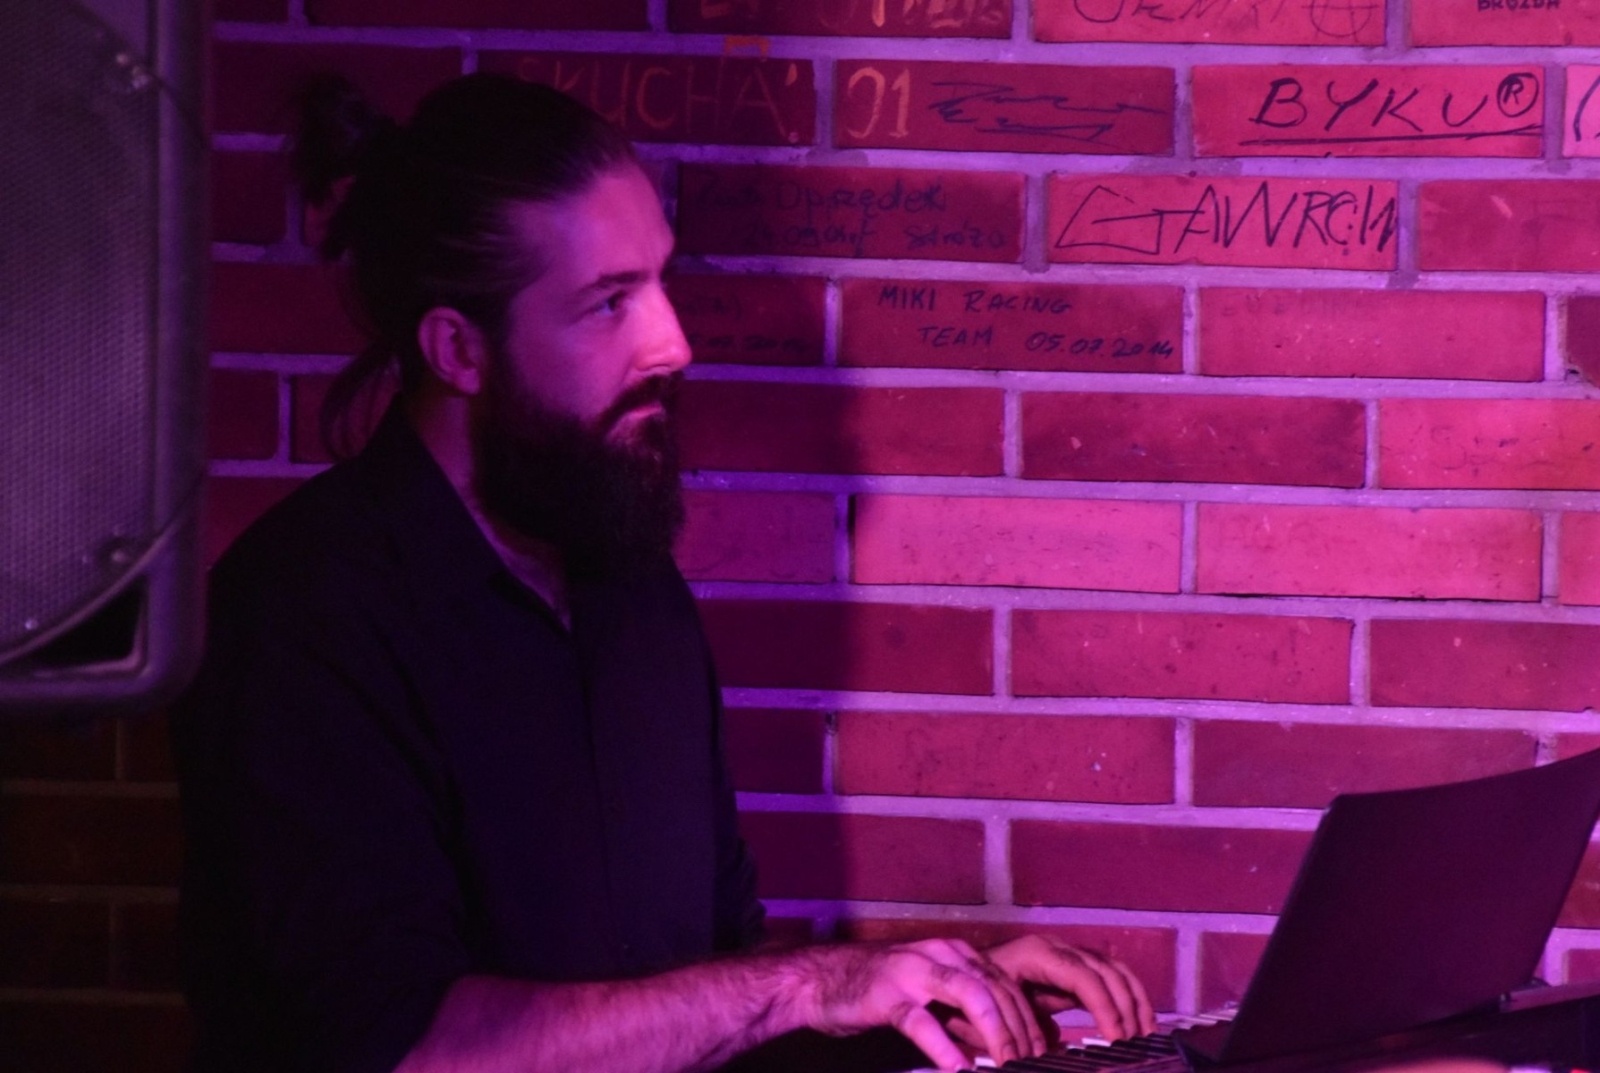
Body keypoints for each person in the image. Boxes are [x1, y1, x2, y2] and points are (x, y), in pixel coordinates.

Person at [172, 73, 1155, 1073]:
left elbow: (703, 1014)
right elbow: (408, 1050)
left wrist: (940, 1001)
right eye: (608, 303)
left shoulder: (633, 597)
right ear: (459, 350)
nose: (672, 342)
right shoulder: (303, 618)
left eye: (659, 282)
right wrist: (810, 984)